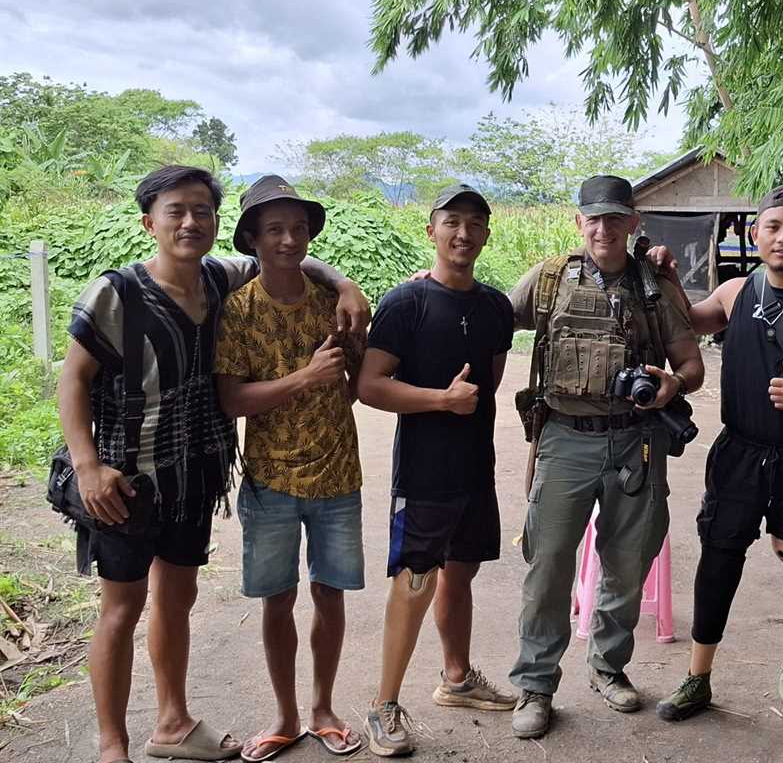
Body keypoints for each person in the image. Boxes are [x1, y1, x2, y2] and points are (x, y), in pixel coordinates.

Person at [57, 165, 369, 763]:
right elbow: (73, 376)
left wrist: (347, 283)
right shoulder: (116, 291)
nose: (191, 222)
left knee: (176, 599)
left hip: (196, 472)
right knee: (120, 609)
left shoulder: (219, 278)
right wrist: (88, 464)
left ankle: (172, 724)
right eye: (177, 211)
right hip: (126, 479)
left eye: (202, 210)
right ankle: (111, 745)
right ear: (150, 221)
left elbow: (293, 256)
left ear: (218, 224)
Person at [646, 185, 783, 725]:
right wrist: (668, 276)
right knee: (718, 556)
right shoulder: (735, 292)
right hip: (740, 451)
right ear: (755, 234)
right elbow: (692, 321)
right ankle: (697, 677)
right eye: (773, 226)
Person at [505, 175, 705, 739]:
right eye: (593, 218)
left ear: (632, 224)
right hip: (565, 438)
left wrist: (671, 385)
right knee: (547, 565)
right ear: (578, 222)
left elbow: (693, 366)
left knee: (628, 561)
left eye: (615, 218)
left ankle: (608, 667)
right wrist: (437, 286)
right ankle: (536, 684)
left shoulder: (654, 287)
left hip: (636, 440)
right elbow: (487, 315)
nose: (602, 228)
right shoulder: (548, 280)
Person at [356, 184, 518, 757]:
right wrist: (439, 401)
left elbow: (493, 379)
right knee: (415, 579)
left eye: (475, 223)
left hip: (475, 469)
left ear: (486, 234)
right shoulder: (406, 303)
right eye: (452, 221)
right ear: (431, 231)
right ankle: (383, 705)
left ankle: (456, 679)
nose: (463, 233)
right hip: (423, 472)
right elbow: (369, 385)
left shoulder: (496, 306)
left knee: (461, 574)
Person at [213, 175, 366, 761]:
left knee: (330, 594)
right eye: (274, 229)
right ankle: (284, 716)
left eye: (298, 228)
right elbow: (231, 400)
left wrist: (325, 398)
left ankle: (324, 708)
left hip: (337, 477)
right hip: (268, 480)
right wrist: (304, 379)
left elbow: (354, 383)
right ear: (252, 238)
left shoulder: (334, 302)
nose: (288, 239)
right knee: (276, 599)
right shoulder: (238, 311)